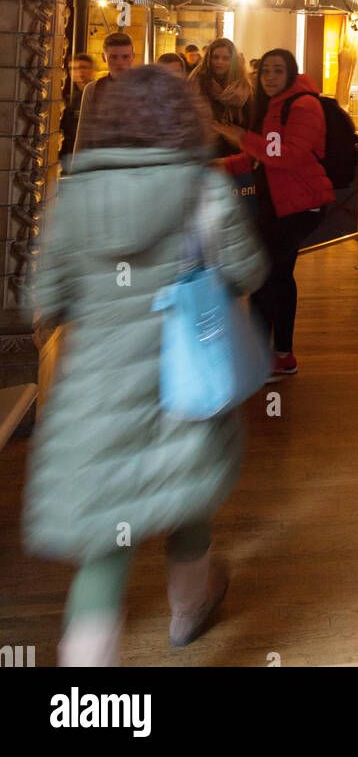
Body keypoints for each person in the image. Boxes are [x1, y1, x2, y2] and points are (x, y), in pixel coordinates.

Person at [22, 65, 269, 666]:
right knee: (185, 500)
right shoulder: (203, 188)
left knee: (106, 544)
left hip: (97, 394)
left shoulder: (73, 192)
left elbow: (44, 300)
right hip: (187, 382)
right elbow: (250, 273)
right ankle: (188, 613)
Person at [218, 49, 333, 381]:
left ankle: (260, 356)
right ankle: (279, 354)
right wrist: (222, 164)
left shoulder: (304, 105)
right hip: (278, 205)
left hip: (299, 206)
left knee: (265, 276)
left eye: (277, 71)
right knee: (277, 277)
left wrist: (241, 137)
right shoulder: (276, 106)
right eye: (265, 71)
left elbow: (290, 156)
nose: (269, 76)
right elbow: (263, 157)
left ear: (290, 73)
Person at [189, 37, 252, 159]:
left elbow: (249, 119)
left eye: (225, 58)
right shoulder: (197, 82)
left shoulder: (242, 86)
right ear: (209, 58)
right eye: (215, 57)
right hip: (204, 149)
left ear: (232, 60)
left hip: (235, 151)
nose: (219, 62)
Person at [73, 31, 134, 154]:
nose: (119, 63)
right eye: (113, 57)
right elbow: (83, 136)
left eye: (125, 57)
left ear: (132, 56)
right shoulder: (93, 90)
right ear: (104, 57)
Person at [59, 53, 95, 170]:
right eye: (73, 68)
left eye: (83, 67)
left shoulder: (98, 95)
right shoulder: (69, 100)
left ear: (92, 70)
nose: (79, 72)